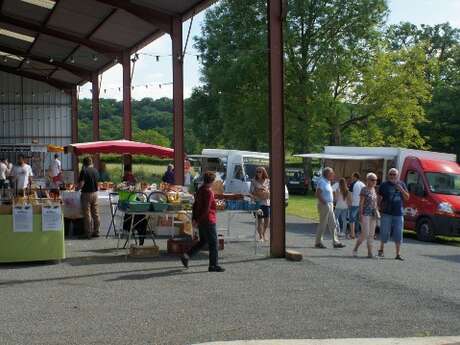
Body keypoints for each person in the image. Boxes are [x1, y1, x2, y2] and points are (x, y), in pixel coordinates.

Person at [180, 171, 224, 272]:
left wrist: (195, 219)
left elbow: (195, 205)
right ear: (212, 181)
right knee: (213, 243)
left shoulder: (200, 189)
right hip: (208, 220)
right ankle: (213, 265)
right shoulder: (208, 192)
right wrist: (197, 220)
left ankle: (186, 256)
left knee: (203, 241)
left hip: (201, 220)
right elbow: (206, 209)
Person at [378, 168, 409, 260]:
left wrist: (401, 189)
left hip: (398, 213)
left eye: (394, 174)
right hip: (386, 213)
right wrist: (377, 208)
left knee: (398, 233)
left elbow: (407, 197)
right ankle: (381, 250)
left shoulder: (402, 184)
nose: (392, 176)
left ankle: (398, 254)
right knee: (384, 231)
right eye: (390, 174)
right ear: (388, 175)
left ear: (397, 175)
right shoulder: (384, 185)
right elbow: (379, 197)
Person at [314, 167, 346, 249]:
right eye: (332, 173)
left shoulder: (328, 182)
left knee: (333, 223)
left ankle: (336, 242)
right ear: (327, 174)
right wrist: (325, 203)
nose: (334, 174)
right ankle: (318, 242)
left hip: (330, 205)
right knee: (323, 224)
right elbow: (317, 194)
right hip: (324, 205)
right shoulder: (322, 182)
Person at [353, 173, 379, 258]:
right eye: (372, 180)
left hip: (373, 214)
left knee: (371, 234)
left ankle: (369, 252)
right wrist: (360, 214)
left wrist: (377, 211)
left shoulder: (374, 190)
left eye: (375, 180)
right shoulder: (364, 189)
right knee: (365, 233)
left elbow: (375, 203)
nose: (374, 181)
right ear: (367, 180)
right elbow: (361, 203)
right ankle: (355, 248)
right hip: (365, 214)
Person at [76, 157, 100, 239]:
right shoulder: (96, 171)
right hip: (95, 193)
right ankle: (96, 231)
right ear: (91, 163)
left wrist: (77, 189)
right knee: (95, 213)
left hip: (86, 194)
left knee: (87, 214)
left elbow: (82, 183)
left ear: (84, 164)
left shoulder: (84, 171)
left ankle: (88, 233)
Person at [250, 167, 271, 241]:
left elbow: (270, 191)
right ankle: (260, 236)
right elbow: (251, 192)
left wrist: (266, 193)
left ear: (263, 172)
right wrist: (258, 192)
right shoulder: (253, 181)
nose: (258, 173)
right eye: (257, 171)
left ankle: (264, 233)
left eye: (260, 171)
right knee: (260, 221)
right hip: (258, 203)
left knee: (267, 221)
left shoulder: (268, 181)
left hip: (266, 203)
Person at [349, 172, 365, 239]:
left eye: (352, 176)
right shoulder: (363, 184)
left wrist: (349, 203)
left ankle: (352, 234)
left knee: (352, 219)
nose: (352, 178)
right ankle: (363, 233)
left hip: (354, 203)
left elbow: (350, 194)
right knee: (360, 219)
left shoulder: (353, 184)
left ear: (355, 177)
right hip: (361, 204)